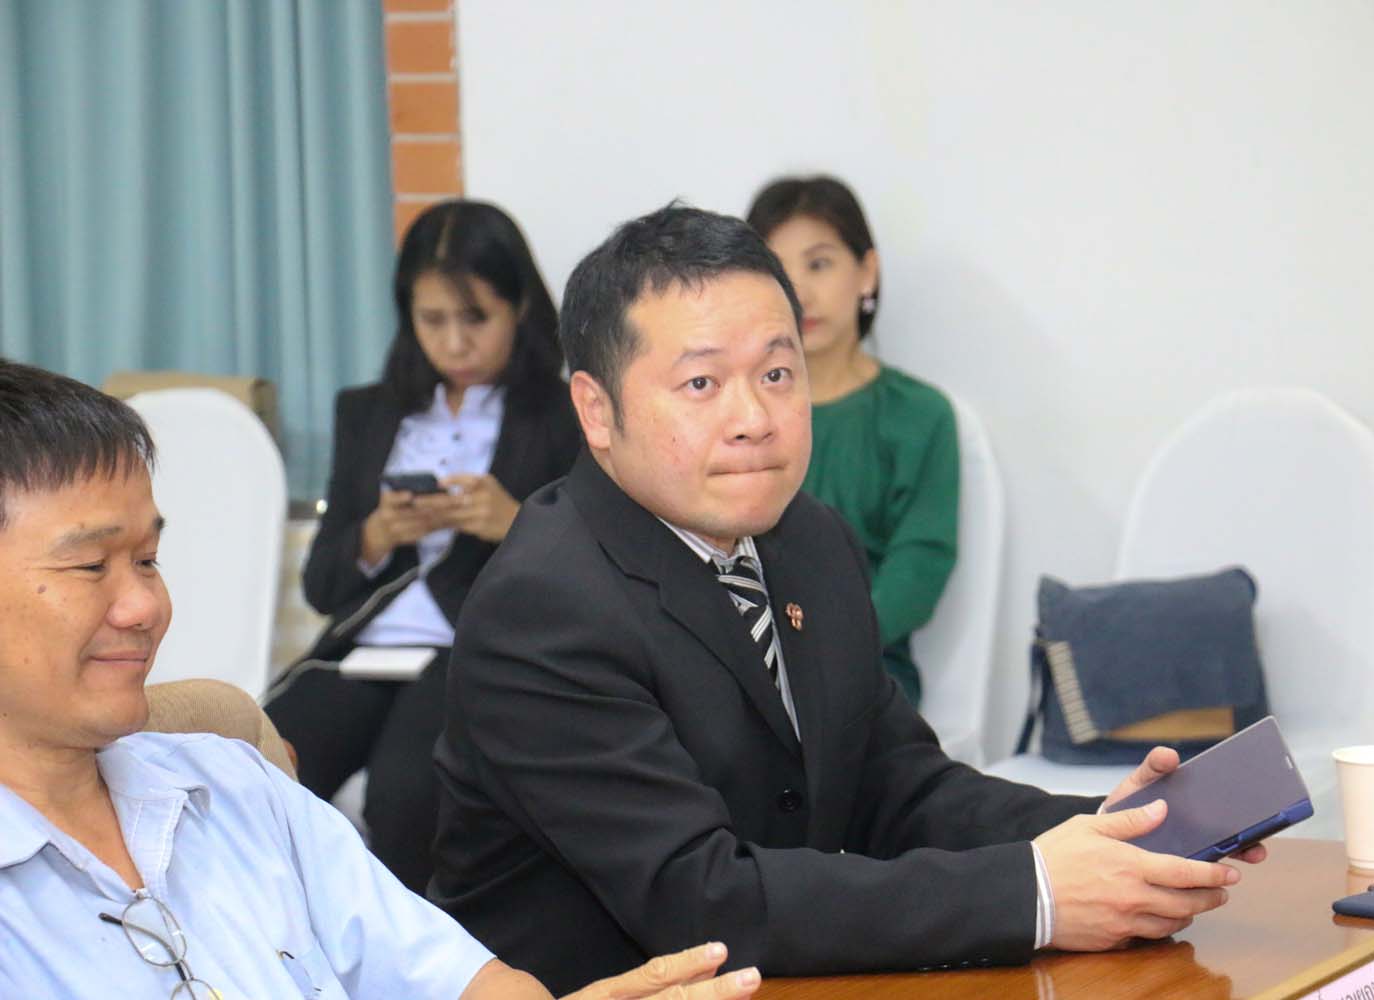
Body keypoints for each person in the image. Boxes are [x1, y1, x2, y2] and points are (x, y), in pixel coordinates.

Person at [429, 204, 1265, 993]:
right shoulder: (543, 603)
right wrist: (1038, 891)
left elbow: (894, 785)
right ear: (596, 410)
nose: (755, 418)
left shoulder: (808, 539)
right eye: (702, 384)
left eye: (777, 372)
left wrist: (1106, 831)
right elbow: (704, 900)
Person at [0, 358, 759, 1000]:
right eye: (90, 565)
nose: (145, 607)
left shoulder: (233, 789)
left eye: (148, 560)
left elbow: (470, 983)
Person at [265, 200, 581, 891]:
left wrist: (515, 522)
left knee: (408, 796)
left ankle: (425, 950)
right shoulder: (369, 411)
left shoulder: (562, 415)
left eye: (476, 319)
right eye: (432, 320)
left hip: (473, 648)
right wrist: (378, 534)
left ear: (521, 307)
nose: (455, 343)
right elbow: (321, 586)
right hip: (364, 648)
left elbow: (592, 574)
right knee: (261, 764)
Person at [746, 175, 958, 707]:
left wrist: (826, 646)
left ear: (867, 272)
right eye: (778, 270)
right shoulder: (736, 412)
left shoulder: (919, 415)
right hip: (739, 662)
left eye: (819, 264)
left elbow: (919, 567)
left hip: (866, 667)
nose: (799, 292)